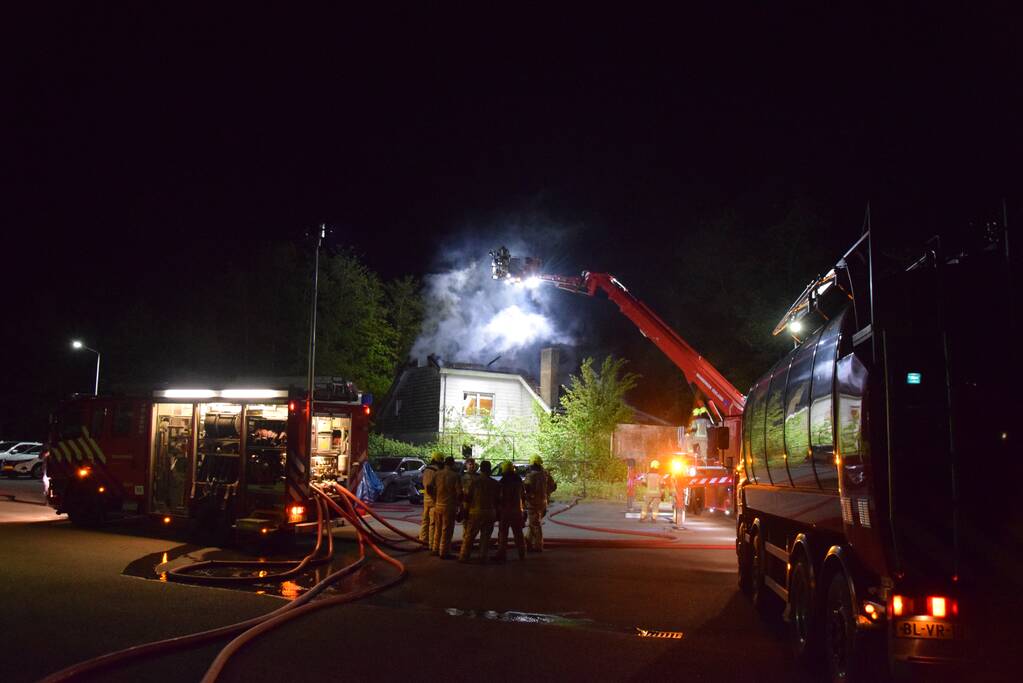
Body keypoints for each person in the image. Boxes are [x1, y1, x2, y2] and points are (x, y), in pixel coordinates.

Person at [458, 460, 499, 563]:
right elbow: (498, 500)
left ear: (481, 469)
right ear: (489, 469)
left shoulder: (474, 482)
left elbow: (467, 498)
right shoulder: (495, 483)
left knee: (469, 536)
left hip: (475, 512)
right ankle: (482, 557)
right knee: (485, 537)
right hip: (490, 513)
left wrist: (464, 510)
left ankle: (464, 556)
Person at [432, 455, 463, 559]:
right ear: (452, 464)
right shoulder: (455, 476)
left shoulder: (437, 473)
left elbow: (429, 488)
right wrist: (460, 506)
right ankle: (444, 552)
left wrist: (434, 499)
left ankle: (435, 549)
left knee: (438, 528)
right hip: (449, 506)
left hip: (438, 505)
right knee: (447, 530)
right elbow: (459, 493)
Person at [494, 461, 527, 562]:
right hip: (517, 511)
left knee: (503, 534)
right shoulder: (519, 481)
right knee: (518, 533)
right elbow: (523, 496)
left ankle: (501, 554)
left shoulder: (502, 482)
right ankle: (522, 553)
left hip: (505, 511)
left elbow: (499, 497)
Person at [523, 455, 555, 552]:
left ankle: (538, 545)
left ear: (532, 463)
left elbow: (527, 489)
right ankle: (528, 541)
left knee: (535, 524)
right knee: (533, 523)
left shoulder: (531, 475)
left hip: (533, 503)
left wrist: (525, 498)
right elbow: (553, 486)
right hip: (543, 502)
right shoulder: (546, 474)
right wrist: (546, 494)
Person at [420, 451, 443, 552]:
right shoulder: (437, 471)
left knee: (425, 520)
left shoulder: (426, 469)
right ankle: (431, 544)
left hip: (426, 499)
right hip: (434, 499)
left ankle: (422, 541)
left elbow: (424, 485)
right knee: (433, 523)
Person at [460, 456, 478, 541]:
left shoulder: (478, 477)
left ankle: (469, 540)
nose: (471, 466)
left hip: (475, 502)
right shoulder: (463, 477)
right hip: (466, 502)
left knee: (474, 523)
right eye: (470, 464)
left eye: (473, 464)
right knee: (466, 522)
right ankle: (465, 540)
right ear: (466, 465)